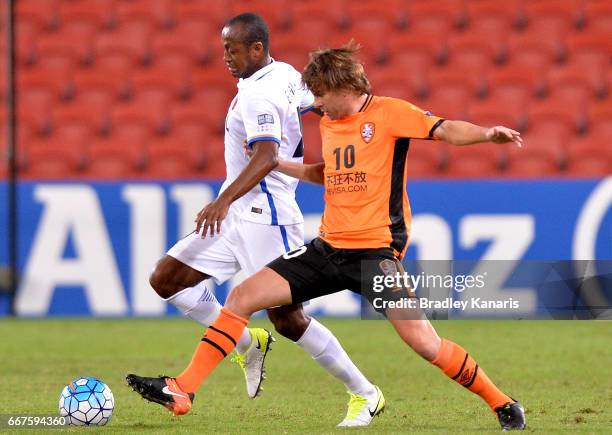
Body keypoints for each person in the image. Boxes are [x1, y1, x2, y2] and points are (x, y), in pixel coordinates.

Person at [127, 42, 527, 431]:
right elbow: (327, 173)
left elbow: (447, 129)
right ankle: (183, 390)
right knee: (242, 297)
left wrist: (487, 133)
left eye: (321, 95)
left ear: (347, 88)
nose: (316, 104)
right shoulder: (330, 122)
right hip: (326, 248)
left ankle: (503, 403)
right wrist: (281, 165)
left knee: (425, 343)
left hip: (374, 255)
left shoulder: (390, 114)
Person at [127, 15, 382, 427]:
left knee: (289, 319)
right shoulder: (284, 74)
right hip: (237, 218)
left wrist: (221, 201)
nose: (225, 56)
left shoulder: (257, 96)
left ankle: (365, 393)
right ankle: (247, 342)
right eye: (225, 47)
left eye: (233, 48)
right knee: (167, 279)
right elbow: (318, 104)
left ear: (257, 48)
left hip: (267, 217)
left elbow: (265, 156)